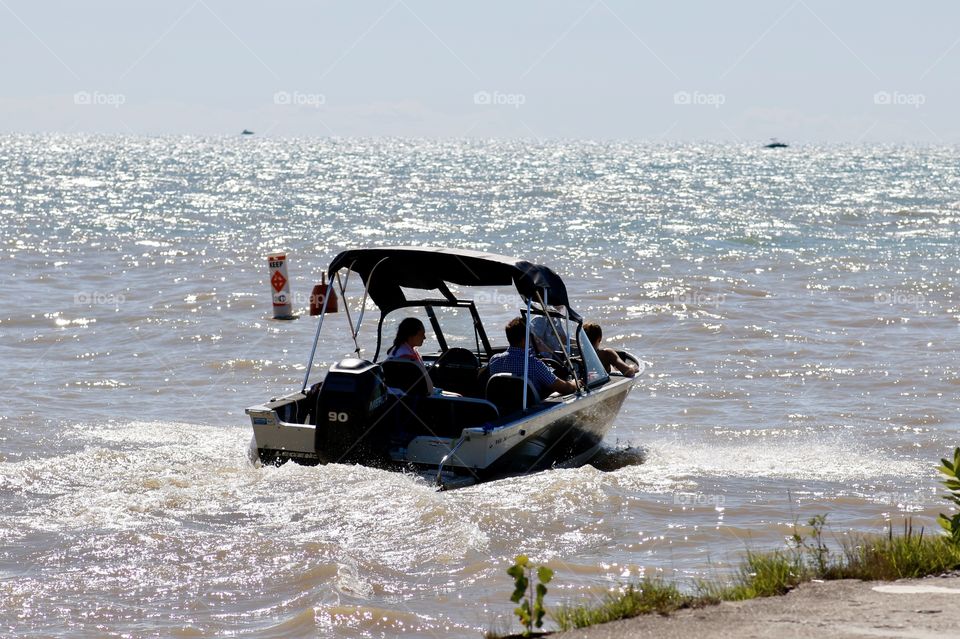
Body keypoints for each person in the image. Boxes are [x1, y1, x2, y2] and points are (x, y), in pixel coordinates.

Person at [488, 317, 578, 398]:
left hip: (504, 408)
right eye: (530, 335)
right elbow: (564, 388)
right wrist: (575, 383)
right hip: (530, 409)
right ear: (525, 339)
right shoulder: (534, 364)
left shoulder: (494, 360)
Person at [386, 317, 435, 393]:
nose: (424, 337)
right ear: (411, 335)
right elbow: (416, 390)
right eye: (422, 334)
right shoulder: (405, 359)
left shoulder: (399, 349)